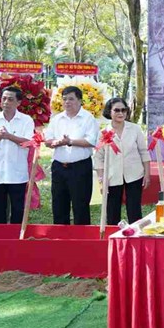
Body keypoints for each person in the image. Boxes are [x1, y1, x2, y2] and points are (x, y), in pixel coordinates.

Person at [45, 86, 99, 225]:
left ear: (80, 101)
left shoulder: (88, 118)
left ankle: (81, 239)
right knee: (58, 204)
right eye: (64, 99)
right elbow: (48, 140)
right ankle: (60, 238)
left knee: (80, 205)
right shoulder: (57, 119)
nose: (67, 102)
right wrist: (56, 142)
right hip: (59, 167)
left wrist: (70, 142)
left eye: (71, 99)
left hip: (80, 167)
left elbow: (91, 141)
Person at [0, 86, 34, 224]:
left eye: (10, 99)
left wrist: (9, 136)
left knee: (18, 211)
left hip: (17, 174)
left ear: (18, 102)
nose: (6, 102)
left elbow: (29, 143)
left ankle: (16, 241)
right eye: (3, 99)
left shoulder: (26, 120)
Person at [93, 98, 150, 225]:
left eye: (124, 110)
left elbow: (144, 151)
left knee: (134, 209)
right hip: (111, 176)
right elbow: (98, 158)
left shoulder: (135, 129)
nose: (121, 113)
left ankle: (136, 236)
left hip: (135, 174)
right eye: (117, 110)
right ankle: (114, 237)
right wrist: (101, 179)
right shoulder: (103, 132)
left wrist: (147, 173)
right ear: (109, 111)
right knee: (112, 210)